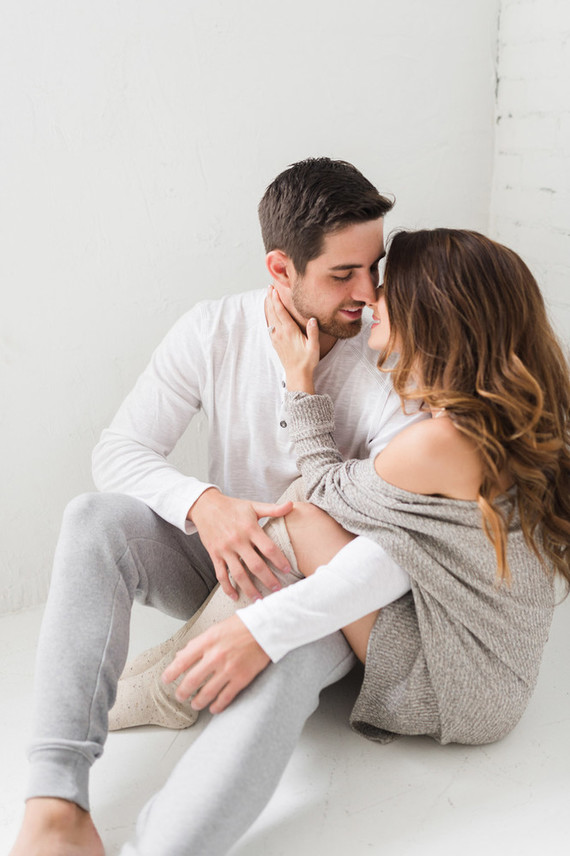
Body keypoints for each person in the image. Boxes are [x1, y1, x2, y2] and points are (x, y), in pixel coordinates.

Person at [9, 157, 421, 856]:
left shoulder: (389, 350)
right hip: (229, 566)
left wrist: (277, 620)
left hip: (330, 592)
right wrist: (205, 504)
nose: (370, 293)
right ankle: (54, 807)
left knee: (288, 649)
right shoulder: (213, 330)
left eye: (373, 267)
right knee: (93, 518)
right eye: (343, 275)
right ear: (280, 268)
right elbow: (120, 450)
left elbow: (397, 537)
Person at [114, 228, 568, 856]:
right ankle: (183, 668)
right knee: (308, 516)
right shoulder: (491, 421)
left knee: (297, 512)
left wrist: (300, 385)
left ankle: (172, 680)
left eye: (388, 291)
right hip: (489, 673)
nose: (370, 299)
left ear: (435, 318)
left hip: (453, 684)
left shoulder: (440, 442)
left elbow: (323, 494)